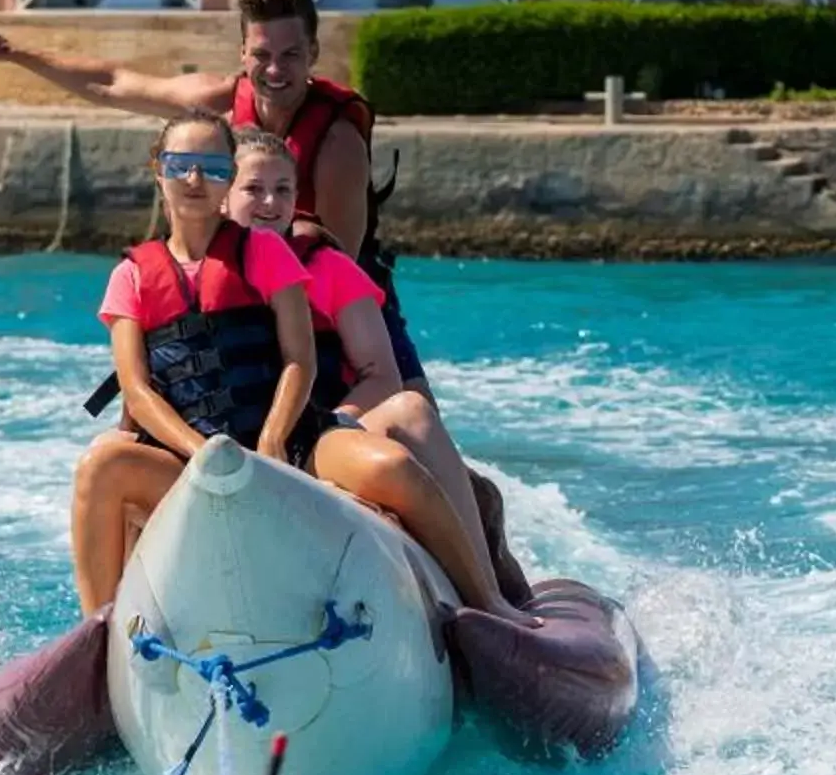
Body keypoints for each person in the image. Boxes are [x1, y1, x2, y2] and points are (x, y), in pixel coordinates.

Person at [67, 111, 509, 621]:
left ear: (226, 177)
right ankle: (97, 631)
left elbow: (299, 359)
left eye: (211, 167)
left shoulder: (268, 255)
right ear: (157, 170)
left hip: (290, 448)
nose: (194, 179)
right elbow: (136, 390)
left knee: (391, 467)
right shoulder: (131, 275)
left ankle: (486, 604)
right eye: (180, 164)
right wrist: (206, 455)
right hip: (189, 459)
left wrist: (272, 439)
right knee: (100, 466)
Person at [0, 0, 422, 387]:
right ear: (243, 53)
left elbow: (337, 262)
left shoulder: (338, 142)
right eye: (262, 54)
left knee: (415, 429)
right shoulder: (218, 102)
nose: (275, 70)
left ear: (313, 54)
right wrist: (15, 53)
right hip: (241, 296)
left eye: (291, 55)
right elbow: (114, 82)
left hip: (345, 308)